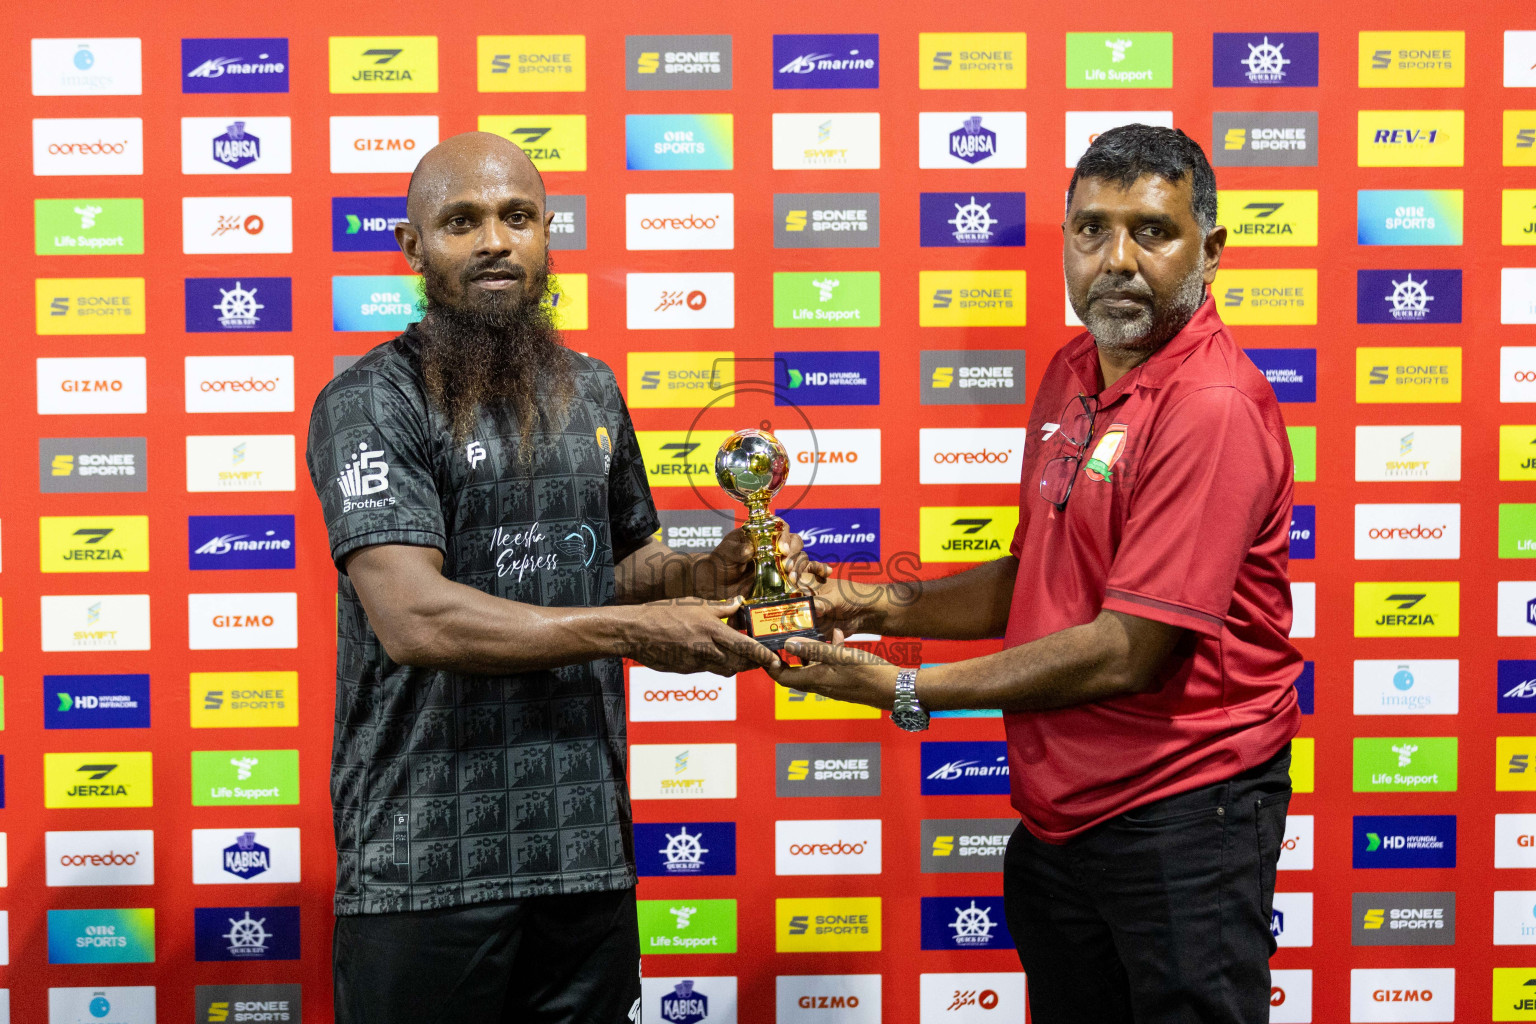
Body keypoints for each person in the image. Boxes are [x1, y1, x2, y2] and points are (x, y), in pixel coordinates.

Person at [773, 124, 1301, 1024]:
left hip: (1181, 815)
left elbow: (1130, 647)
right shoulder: (1072, 370)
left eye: (1153, 231)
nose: (1117, 260)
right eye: (1091, 230)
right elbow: (1044, 575)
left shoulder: (1210, 405)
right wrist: (865, 603)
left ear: (1210, 251)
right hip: (1060, 820)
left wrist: (905, 687)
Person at [306, 131, 818, 1024]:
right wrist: (631, 634)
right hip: (425, 860)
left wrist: (711, 567)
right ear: (413, 247)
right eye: (461, 222)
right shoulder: (372, 400)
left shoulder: (590, 388)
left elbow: (614, 571)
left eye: (517, 217)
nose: (495, 241)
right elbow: (415, 620)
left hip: (585, 851)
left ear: (548, 234)